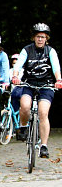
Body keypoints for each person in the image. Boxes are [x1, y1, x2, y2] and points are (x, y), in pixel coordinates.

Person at [12, 23, 62, 158]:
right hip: (29, 83)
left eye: (43, 37)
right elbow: (19, 64)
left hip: (46, 85)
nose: (40, 39)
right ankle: (23, 127)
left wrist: (58, 80)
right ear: (33, 37)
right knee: (24, 106)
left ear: (47, 38)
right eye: (38, 36)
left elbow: (56, 67)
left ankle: (44, 146)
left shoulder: (50, 51)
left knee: (43, 112)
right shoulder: (26, 50)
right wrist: (15, 76)